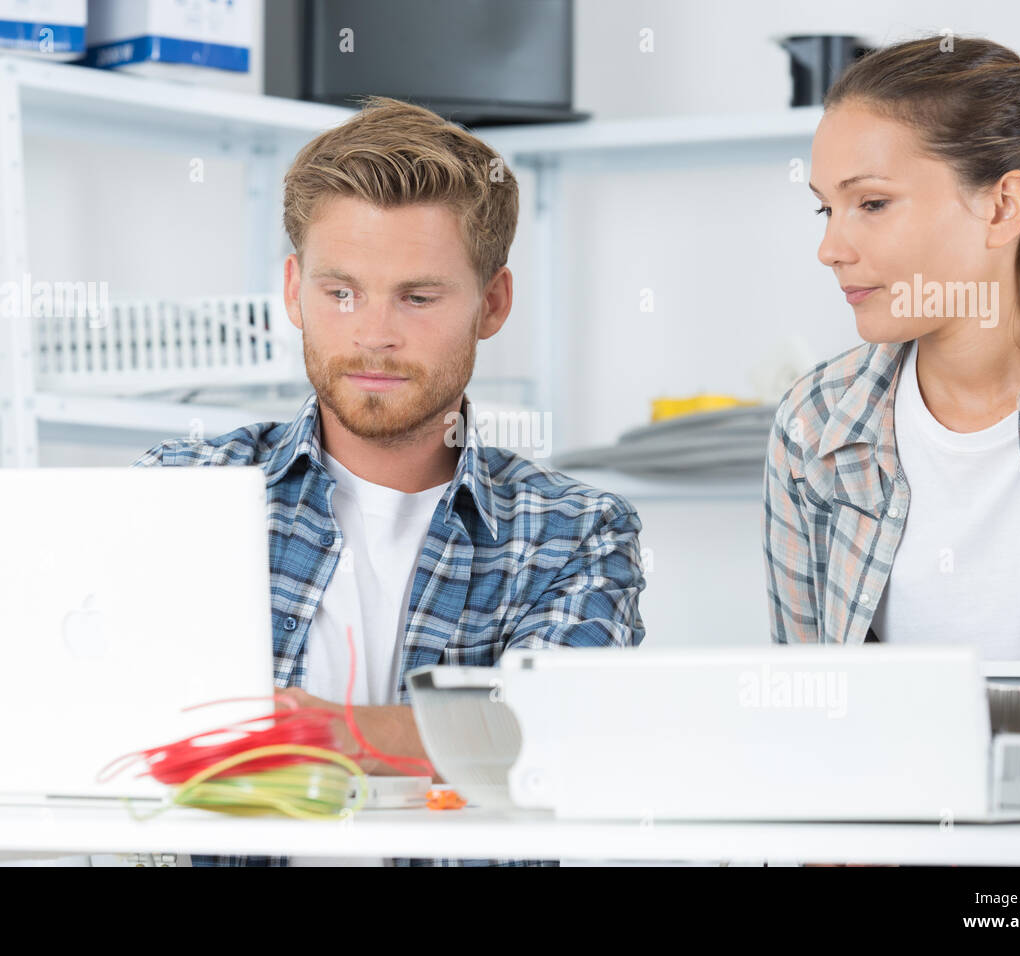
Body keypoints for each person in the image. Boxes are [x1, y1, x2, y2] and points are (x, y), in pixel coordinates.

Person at [133, 96, 646, 866]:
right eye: (340, 292)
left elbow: (571, 735)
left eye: (417, 296)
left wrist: (341, 735)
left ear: (493, 303)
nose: (373, 333)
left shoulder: (572, 532)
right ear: (293, 290)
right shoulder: (181, 491)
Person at [763, 35, 1020, 661]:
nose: (830, 248)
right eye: (825, 210)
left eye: (872, 203)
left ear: (1002, 206)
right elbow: (810, 707)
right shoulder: (813, 425)